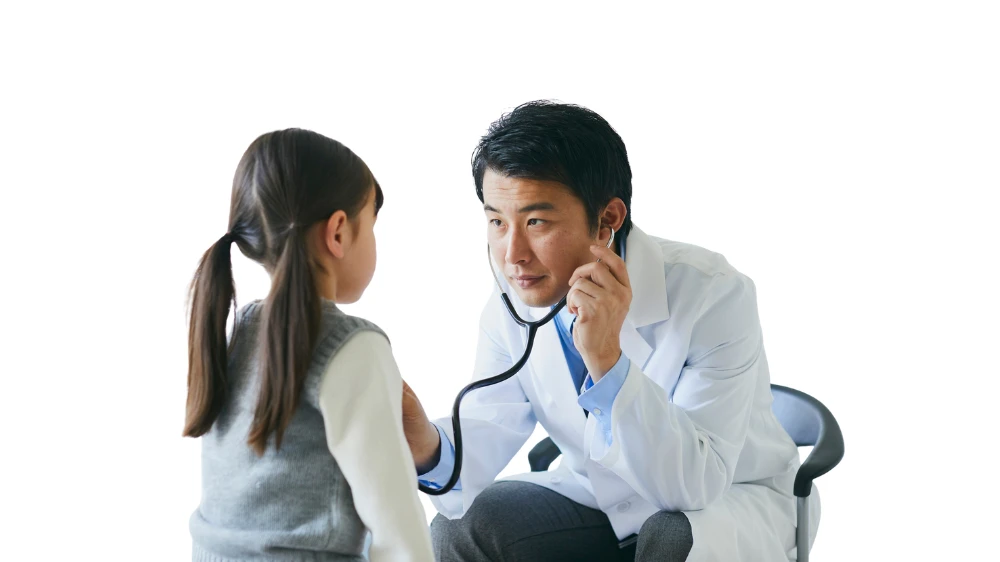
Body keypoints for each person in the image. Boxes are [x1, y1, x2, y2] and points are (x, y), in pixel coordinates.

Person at [401, 101, 821, 561]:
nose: (512, 254)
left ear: (608, 220)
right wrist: (422, 440)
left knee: (671, 535)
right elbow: (486, 429)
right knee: (459, 529)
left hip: (726, 504)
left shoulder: (715, 295)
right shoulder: (511, 306)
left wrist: (607, 361)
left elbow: (692, 485)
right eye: (497, 222)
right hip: (594, 495)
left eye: (536, 221)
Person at [184, 129, 434, 561]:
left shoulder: (235, 331)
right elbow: (398, 528)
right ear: (338, 232)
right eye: (372, 226)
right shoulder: (354, 348)